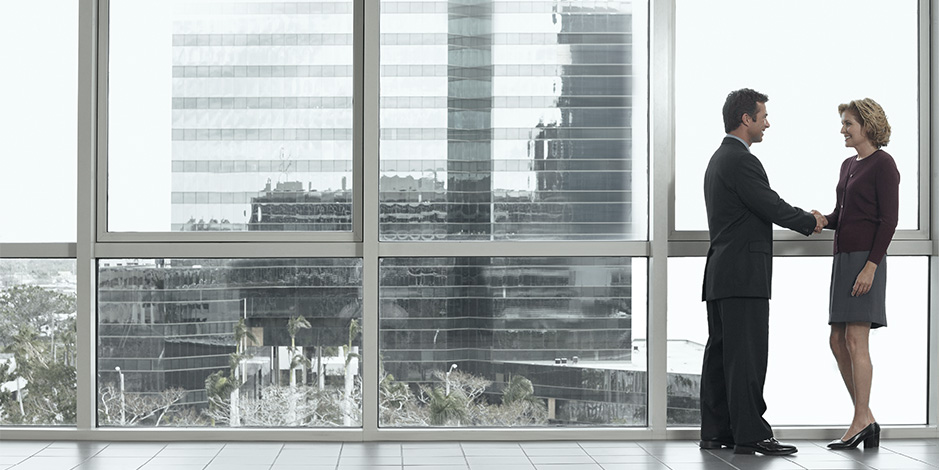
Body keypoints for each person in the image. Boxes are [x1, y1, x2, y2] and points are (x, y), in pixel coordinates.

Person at [700, 88, 826, 456]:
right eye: (763, 116)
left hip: (722, 274)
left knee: (722, 356)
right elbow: (769, 204)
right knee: (746, 358)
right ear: (746, 119)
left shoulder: (718, 159)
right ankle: (751, 435)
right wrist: (811, 220)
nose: (767, 123)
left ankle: (717, 431)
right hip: (742, 276)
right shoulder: (740, 160)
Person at [822, 98, 899, 450]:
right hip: (843, 260)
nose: (843, 129)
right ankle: (864, 417)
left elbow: (888, 221)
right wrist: (821, 220)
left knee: (855, 340)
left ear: (866, 125)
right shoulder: (847, 165)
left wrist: (871, 265)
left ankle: (860, 419)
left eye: (848, 123)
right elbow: (843, 214)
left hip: (866, 262)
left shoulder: (884, 165)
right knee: (837, 341)